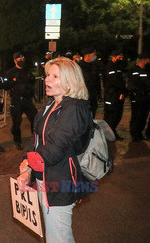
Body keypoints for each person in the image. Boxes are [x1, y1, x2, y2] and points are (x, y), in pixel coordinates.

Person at [17, 57, 93, 243]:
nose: (47, 80)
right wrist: (27, 170)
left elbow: (53, 149)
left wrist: (28, 164)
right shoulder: (51, 104)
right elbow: (36, 138)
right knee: (53, 234)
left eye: (55, 76)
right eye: (48, 75)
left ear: (70, 82)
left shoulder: (74, 108)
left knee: (59, 236)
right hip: (45, 177)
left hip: (60, 181)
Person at [6, 52, 37, 150]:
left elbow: (32, 81)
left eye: (23, 58)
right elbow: (7, 85)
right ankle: (17, 141)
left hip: (27, 100)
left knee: (35, 118)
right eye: (20, 59)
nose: (22, 60)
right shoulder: (11, 72)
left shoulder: (27, 71)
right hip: (16, 101)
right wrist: (14, 82)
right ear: (15, 60)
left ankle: (35, 139)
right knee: (16, 122)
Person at [103, 50, 127, 140]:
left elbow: (121, 82)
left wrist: (123, 93)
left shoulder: (118, 67)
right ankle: (106, 135)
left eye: (122, 58)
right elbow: (114, 82)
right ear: (114, 57)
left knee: (117, 116)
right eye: (119, 58)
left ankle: (112, 132)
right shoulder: (109, 67)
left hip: (119, 96)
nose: (121, 59)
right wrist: (122, 91)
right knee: (110, 117)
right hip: (111, 96)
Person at [127, 52, 150, 141]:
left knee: (143, 117)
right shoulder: (134, 71)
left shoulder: (146, 71)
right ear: (144, 60)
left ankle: (139, 133)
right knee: (136, 117)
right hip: (137, 98)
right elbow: (132, 85)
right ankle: (135, 135)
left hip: (145, 98)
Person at [78, 48, 102, 118]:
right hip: (82, 96)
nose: (95, 56)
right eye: (94, 55)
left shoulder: (95, 66)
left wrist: (99, 94)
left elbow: (97, 81)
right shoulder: (79, 66)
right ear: (88, 55)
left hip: (93, 95)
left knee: (92, 114)